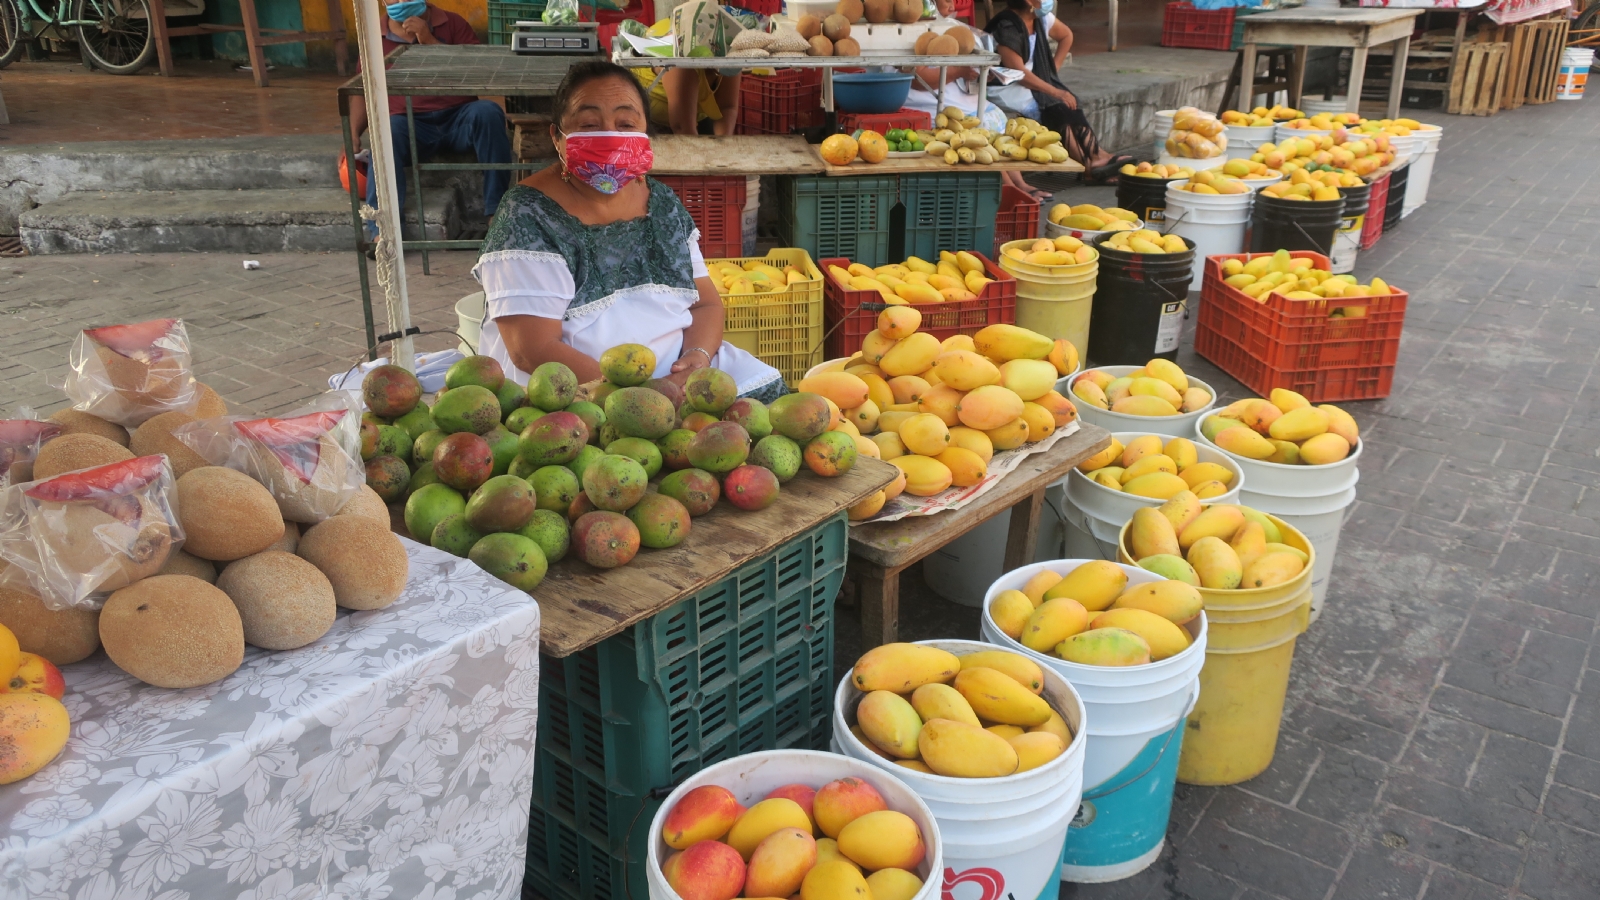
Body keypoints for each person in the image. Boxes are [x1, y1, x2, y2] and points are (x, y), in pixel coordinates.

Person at [471, 60, 785, 402]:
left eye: (626, 123)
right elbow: (531, 349)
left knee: (773, 407)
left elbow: (705, 304)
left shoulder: (662, 203)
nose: (609, 134)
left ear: (644, 134)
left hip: (677, 378)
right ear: (557, 138)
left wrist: (697, 356)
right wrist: (641, 398)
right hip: (581, 390)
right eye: (589, 124)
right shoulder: (527, 214)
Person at [349, 1, 513, 227]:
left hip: (458, 118)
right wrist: (353, 133)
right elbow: (362, 89)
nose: (400, 1)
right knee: (386, 132)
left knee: (488, 112)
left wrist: (430, 42)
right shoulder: (374, 36)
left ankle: (497, 213)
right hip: (409, 124)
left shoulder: (453, 23)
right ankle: (383, 230)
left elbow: (477, 71)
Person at [985, 0, 1135, 183]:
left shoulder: (1041, 18)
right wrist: (1054, 91)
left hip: (1031, 80)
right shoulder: (1006, 26)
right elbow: (1018, 73)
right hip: (1006, 86)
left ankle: (1096, 154)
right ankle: (1088, 163)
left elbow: (1066, 36)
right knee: (1053, 105)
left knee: (1067, 103)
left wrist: (1051, 72)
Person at [905, 65, 1054, 201]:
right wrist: (959, 70)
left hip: (961, 97)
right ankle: (1009, 189)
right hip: (931, 102)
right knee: (979, 132)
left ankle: (1020, 184)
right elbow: (919, 79)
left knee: (1000, 136)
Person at [631, 66, 743, 135]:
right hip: (652, 123)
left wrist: (723, 149)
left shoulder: (731, 57)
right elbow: (683, 128)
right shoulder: (681, 62)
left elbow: (727, 107)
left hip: (697, 119)